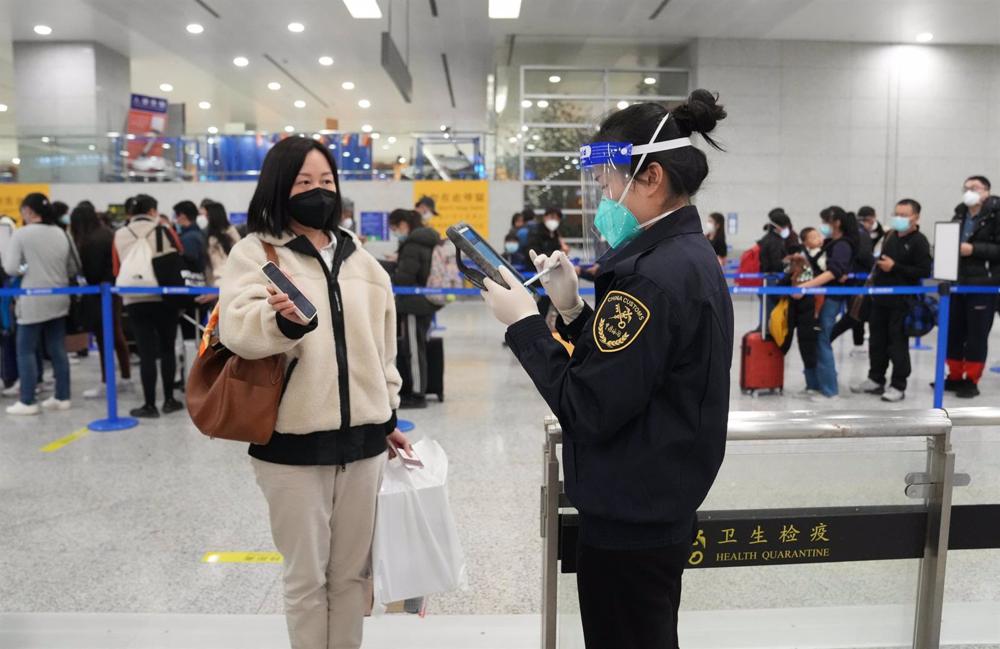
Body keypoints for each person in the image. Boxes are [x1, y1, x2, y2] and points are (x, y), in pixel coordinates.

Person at [481, 91, 733, 649]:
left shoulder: (650, 276)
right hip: (657, 497)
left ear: (651, 177)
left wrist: (525, 324)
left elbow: (590, 406)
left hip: (631, 513)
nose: (604, 194)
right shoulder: (686, 256)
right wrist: (573, 313)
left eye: (609, 180)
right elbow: (635, 370)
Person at [218, 136, 410, 649]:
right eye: (304, 182)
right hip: (292, 446)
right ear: (280, 187)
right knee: (307, 580)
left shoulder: (361, 259)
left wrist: (388, 416)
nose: (318, 191)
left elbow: (382, 349)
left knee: (351, 579)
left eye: (326, 181)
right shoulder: (255, 253)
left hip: (365, 445)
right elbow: (236, 331)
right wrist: (280, 321)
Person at [2, 193, 79, 415]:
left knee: (25, 349)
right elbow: (73, 267)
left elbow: (11, 268)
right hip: (60, 297)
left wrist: (28, 268)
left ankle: (27, 400)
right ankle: (62, 396)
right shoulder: (61, 233)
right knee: (57, 348)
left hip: (32, 298)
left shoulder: (22, 234)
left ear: (28, 211)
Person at [851, 199, 931, 402]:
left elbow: (923, 270)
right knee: (877, 342)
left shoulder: (919, 241)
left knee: (897, 344)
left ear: (916, 217)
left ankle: (898, 385)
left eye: (904, 215)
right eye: (897, 214)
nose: (899, 218)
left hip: (902, 302)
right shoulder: (890, 236)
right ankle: (876, 379)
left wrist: (895, 267)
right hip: (880, 299)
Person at [113, 194, 185, 418]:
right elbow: (178, 256)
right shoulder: (164, 230)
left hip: (135, 299)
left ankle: (149, 405)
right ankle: (170, 400)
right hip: (164, 297)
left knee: (145, 353)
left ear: (131, 213)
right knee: (167, 349)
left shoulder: (120, 234)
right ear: (153, 211)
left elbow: (116, 269)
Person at [794, 206, 863, 400]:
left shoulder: (842, 245)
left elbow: (834, 272)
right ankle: (818, 384)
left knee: (823, 339)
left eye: (825, 222)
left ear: (836, 222)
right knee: (818, 339)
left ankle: (830, 389)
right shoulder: (833, 243)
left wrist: (806, 286)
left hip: (830, 297)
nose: (823, 227)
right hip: (823, 296)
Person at [944, 175, 1000, 398]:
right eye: (966, 187)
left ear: (986, 191)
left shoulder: (996, 215)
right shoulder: (960, 213)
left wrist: (974, 249)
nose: (969, 191)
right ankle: (954, 375)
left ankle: (972, 379)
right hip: (958, 281)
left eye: (974, 188)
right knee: (954, 331)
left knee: (977, 334)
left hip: (983, 284)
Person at [70, 201, 132, 399]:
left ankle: (107, 382)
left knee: (104, 337)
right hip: (113, 292)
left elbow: (92, 272)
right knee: (117, 334)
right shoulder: (107, 233)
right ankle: (125, 377)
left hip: (100, 295)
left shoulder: (91, 241)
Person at [388, 208, 441, 409]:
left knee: (414, 351)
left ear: (403, 224)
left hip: (413, 304)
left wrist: (392, 271)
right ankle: (418, 390)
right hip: (424, 303)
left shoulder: (411, 244)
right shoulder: (427, 239)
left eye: (394, 227)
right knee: (418, 348)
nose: (395, 232)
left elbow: (405, 278)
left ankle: (418, 395)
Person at [201, 201, 241, 299]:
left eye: (207, 216)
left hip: (225, 286)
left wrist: (216, 290)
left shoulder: (227, 235)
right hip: (222, 285)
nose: (206, 218)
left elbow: (221, 266)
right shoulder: (215, 235)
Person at [173, 200, 207, 274]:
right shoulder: (199, 233)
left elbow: (189, 260)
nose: (176, 220)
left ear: (182, 216)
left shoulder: (189, 238)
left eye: (176, 216)